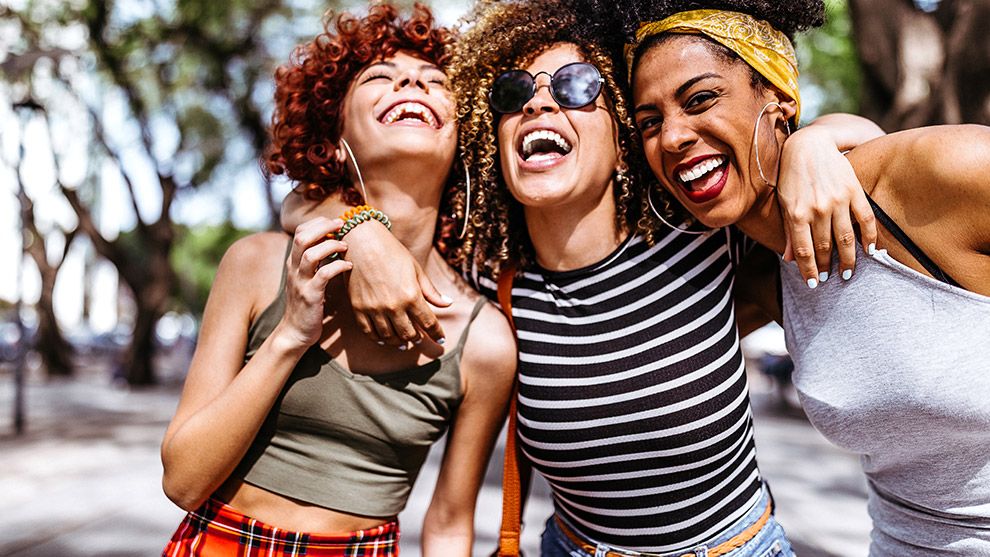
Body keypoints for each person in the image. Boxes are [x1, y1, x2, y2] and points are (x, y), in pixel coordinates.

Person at [624, 1, 990, 554]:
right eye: (649, 122)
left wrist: (817, 136)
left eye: (700, 99)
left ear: (778, 100)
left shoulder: (932, 173)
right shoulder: (757, 278)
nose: (672, 137)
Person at [159, 4, 516, 556]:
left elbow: (448, 523)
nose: (410, 82)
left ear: (465, 135)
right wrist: (290, 337)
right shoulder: (257, 264)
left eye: (435, 81)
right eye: (380, 77)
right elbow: (182, 481)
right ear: (336, 130)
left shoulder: (485, 341)